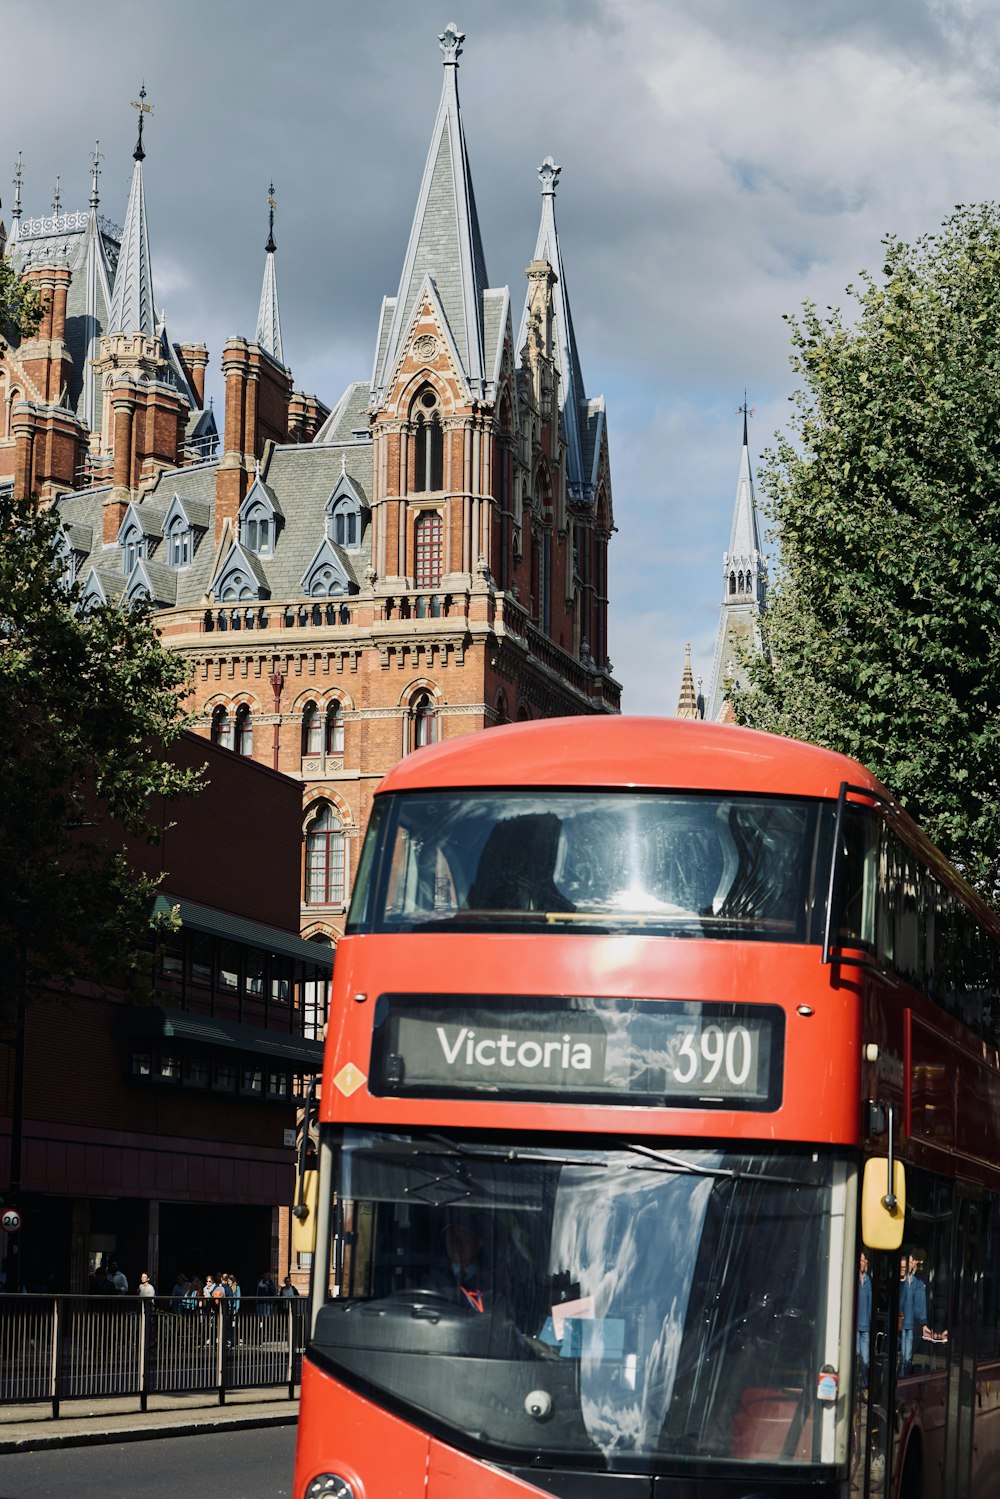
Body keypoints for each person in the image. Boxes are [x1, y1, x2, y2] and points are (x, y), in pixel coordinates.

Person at [899, 1251, 928, 1376]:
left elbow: (921, 1303)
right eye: (909, 1262)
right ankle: (901, 1374)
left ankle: (903, 1376)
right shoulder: (903, 1280)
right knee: (902, 1354)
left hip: (910, 1323)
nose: (910, 1265)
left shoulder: (917, 1283)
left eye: (912, 1262)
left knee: (907, 1355)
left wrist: (923, 1322)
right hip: (902, 1321)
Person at [856, 1251, 872, 1387]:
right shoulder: (853, 1279)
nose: (863, 1263)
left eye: (865, 1261)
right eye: (861, 1260)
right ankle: (855, 1384)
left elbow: (870, 1303)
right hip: (855, 1326)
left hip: (865, 1326)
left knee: (865, 1359)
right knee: (856, 1356)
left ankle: (863, 1384)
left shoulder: (868, 1281)